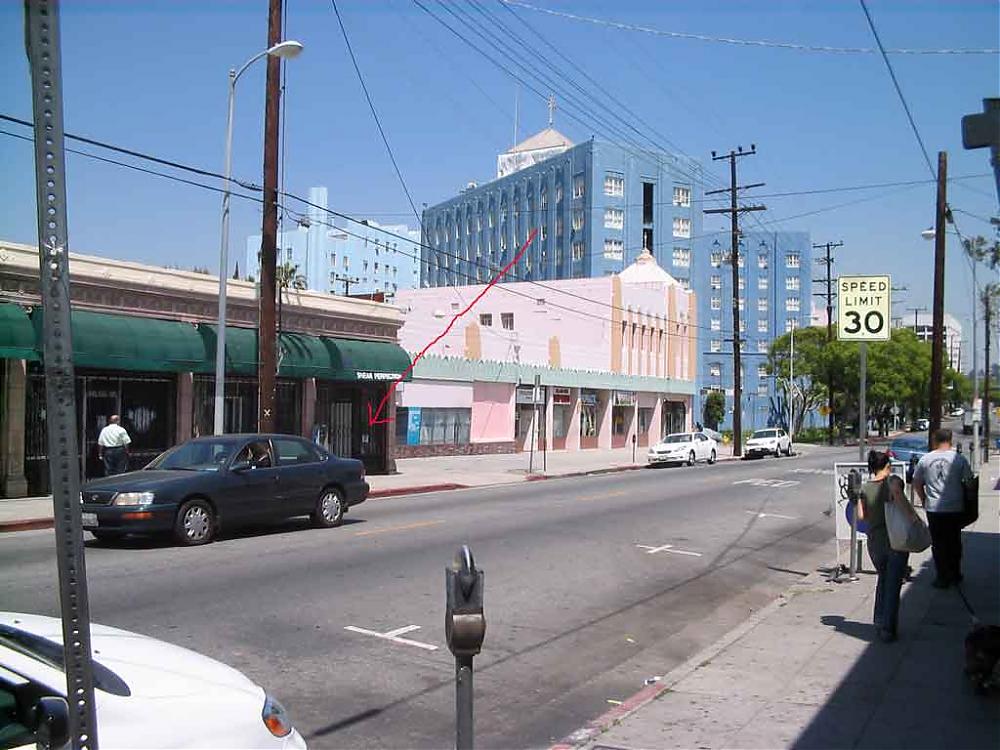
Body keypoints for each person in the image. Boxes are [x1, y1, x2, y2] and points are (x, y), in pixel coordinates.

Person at [858, 450, 909, 642]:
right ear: (888, 465)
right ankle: (887, 628)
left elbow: (861, 516)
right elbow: (904, 508)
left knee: (883, 579)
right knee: (893, 585)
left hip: (875, 540)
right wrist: (914, 522)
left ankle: (879, 620)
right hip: (894, 540)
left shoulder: (864, 488)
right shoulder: (892, 484)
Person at [913, 428, 972, 588]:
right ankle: (955, 573)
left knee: (938, 543)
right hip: (955, 506)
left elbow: (917, 483)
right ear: (950, 440)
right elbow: (969, 482)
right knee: (954, 541)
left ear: (934, 440)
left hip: (934, 508)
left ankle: (942, 576)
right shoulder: (959, 459)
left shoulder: (925, 459)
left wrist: (924, 499)